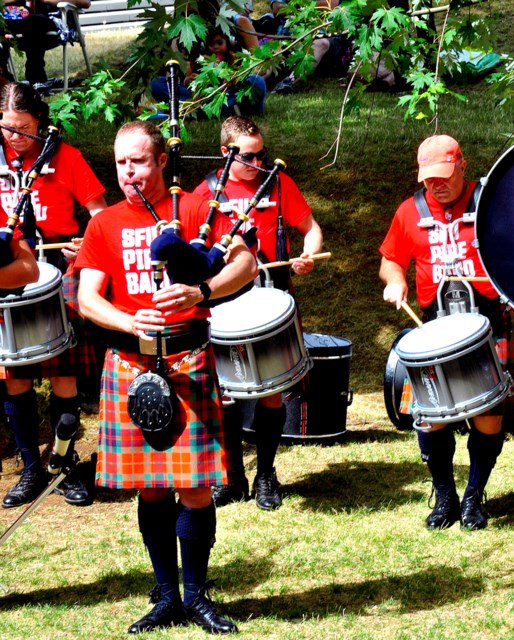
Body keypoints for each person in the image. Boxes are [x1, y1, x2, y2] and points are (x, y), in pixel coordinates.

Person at [76, 121, 257, 634]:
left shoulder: (196, 209)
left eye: (136, 161)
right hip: (131, 365)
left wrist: (202, 292)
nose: (127, 172)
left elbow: (246, 262)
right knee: (150, 488)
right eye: (119, 163)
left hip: (187, 360)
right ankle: (165, 596)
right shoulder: (104, 224)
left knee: (195, 487)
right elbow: (89, 299)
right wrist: (128, 320)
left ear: (159, 161)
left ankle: (197, 595)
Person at [379, 134, 514, 531]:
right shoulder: (410, 211)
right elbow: (391, 261)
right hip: (434, 325)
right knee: (430, 416)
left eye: (443, 176)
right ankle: (445, 496)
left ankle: (475, 495)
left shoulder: (492, 201)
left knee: (489, 415)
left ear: (462, 165)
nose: (435, 184)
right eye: (428, 179)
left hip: (488, 321)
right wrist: (395, 281)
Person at [193, 115, 323, 511]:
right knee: (226, 396)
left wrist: (308, 255)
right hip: (226, 303)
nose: (259, 162)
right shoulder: (204, 193)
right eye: (249, 156)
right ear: (225, 153)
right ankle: (231, 475)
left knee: (272, 392)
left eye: (262, 153)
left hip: (271, 300)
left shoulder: (279, 182)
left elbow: (311, 228)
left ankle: (266, 474)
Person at [0, 82, 106, 509]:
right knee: (16, 375)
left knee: (64, 376)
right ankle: (30, 468)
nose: (13, 137)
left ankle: (63, 464)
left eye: (23, 129)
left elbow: (100, 215)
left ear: (39, 122)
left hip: (59, 271)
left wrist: (85, 242)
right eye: (6, 127)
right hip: (8, 272)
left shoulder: (66, 157)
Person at [1, 0, 90, 89]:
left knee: (33, 21)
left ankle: (37, 81)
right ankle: (3, 78)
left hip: (55, 25)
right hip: (18, 22)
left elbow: (85, 2)